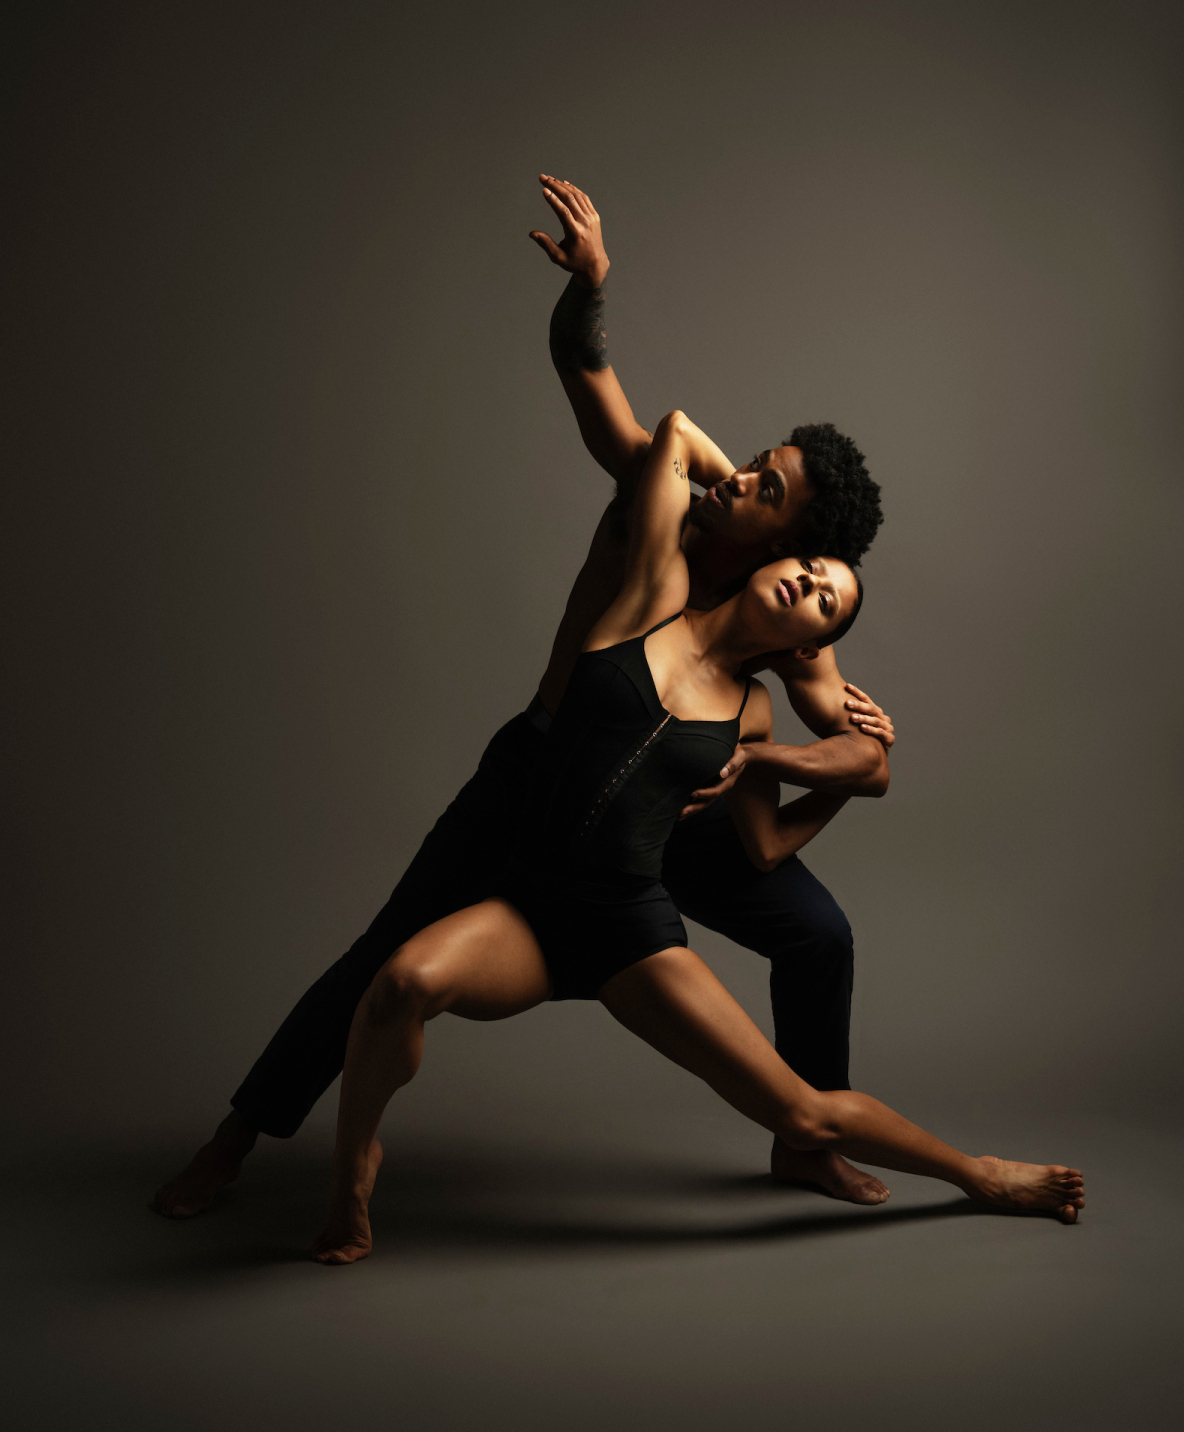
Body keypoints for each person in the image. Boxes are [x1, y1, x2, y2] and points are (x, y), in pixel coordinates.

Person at [153, 179, 894, 1220]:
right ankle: (234, 1141)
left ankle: (805, 1141)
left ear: (797, 549)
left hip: (668, 812)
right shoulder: (662, 505)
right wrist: (589, 290)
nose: (745, 477)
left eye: (770, 488)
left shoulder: (787, 612)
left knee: (820, 936)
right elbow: (586, 370)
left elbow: (869, 762)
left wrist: (774, 763)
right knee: (383, 959)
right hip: (547, 774)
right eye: (759, 465)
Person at [311, 407, 1083, 1264]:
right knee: (398, 983)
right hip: (529, 909)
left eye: (826, 602)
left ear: (811, 646)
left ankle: (979, 1175)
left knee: (805, 1111)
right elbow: (673, 434)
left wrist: (779, 771)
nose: (809, 586)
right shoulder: (654, 592)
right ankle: (352, 1175)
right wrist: (755, 487)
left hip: (629, 930)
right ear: (777, 556)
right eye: (812, 567)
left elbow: (773, 845)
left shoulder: (755, 717)